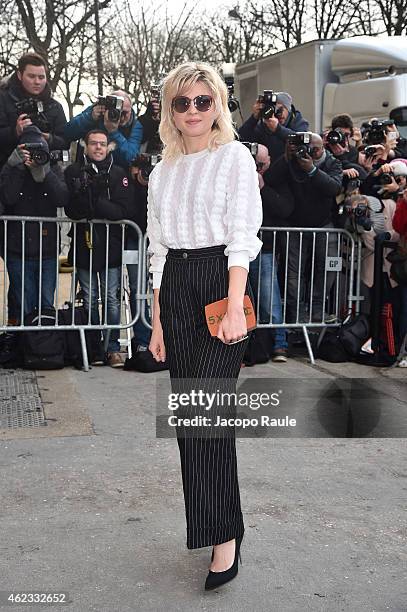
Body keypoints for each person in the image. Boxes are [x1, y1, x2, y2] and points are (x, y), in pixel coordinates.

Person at [147, 62, 262, 589]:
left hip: (220, 281)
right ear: (169, 109)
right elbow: (157, 247)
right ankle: (217, 526)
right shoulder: (161, 169)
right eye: (182, 102)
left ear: (218, 105)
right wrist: (158, 319)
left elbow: (243, 233)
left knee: (209, 415)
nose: (193, 111)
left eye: (203, 101)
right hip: (176, 287)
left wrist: (235, 303)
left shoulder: (234, 157)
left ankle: (225, 539)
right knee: (191, 423)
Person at [64, 129, 133, 368]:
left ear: (108, 147)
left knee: (112, 300)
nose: (98, 148)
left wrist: (95, 200)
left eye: (102, 144)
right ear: (86, 145)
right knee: (91, 299)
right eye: (93, 143)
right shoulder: (74, 172)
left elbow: (122, 211)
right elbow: (72, 210)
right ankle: (93, 346)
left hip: (111, 247)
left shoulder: (118, 173)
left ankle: (112, 347)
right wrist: (89, 199)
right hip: (84, 245)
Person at [267, 133, 343, 323]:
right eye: (307, 148)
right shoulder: (292, 162)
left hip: (324, 225)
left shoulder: (332, 163)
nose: (309, 153)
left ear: (323, 148)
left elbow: (334, 188)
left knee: (325, 271)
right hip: (295, 227)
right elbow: (271, 179)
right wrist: (286, 157)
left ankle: (317, 309)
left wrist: (312, 170)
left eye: (314, 150)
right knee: (294, 274)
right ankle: (297, 313)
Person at [0, 125, 68, 321]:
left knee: (46, 303)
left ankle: (43, 346)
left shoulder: (51, 168)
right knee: (24, 303)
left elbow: (62, 198)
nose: (35, 155)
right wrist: (14, 166)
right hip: (17, 249)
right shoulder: (13, 167)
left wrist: (44, 174)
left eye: (40, 150)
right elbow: (8, 197)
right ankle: (25, 347)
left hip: (47, 250)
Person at [249, 143, 292, 362]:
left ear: (269, 162)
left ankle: (279, 343)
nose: (256, 168)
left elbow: (285, 208)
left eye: (260, 165)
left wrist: (263, 187)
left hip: (265, 248)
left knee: (269, 299)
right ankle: (252, 344)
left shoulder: (277, 179)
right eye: (253, 164)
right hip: (242, 248)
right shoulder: (240, 178)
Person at [0, 52, 67, 169]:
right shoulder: (3, 99)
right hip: (8, 171)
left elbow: (65, 142)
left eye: (41, 77)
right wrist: (15, 132)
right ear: (20, 75)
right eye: (31, 76)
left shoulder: (55, 106)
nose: (37, 82)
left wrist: (49, 139)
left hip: (45, 172)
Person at [64, 90, 143, 169]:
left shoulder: (135, 125)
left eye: (125, 113)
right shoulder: (96, 112)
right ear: (106, 108)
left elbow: (132, 159)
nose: (120, 116)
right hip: (87, 168)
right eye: (117, 111)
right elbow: (67, 133)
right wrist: (89, 118)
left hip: (117, 174)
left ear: (131, 110)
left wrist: (113, 132)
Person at [239, 91, 309, 163]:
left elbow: (302, 141)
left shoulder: (299, 122)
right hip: (270, 170)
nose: (279, 114)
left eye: (281, 109)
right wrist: (254, 118)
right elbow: (241, 139)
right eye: (275, 110)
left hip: (292, 169)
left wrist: (278, 129)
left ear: (289, 109)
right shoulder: (264, 125)